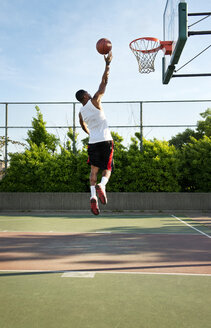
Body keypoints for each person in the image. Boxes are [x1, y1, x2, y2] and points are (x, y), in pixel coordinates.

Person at [75, 51, 114, 215]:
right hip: (105, 140)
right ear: (85, 95)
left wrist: (88, 132)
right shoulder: (95, 100)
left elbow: (81, 124)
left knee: (93, 172)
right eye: (88, 93)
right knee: (108, 169)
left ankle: (93, 197)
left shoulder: (81, 112)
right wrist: (107, 64)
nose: (91, 93)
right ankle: (102, 186)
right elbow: (104, 82)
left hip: (93, 142)